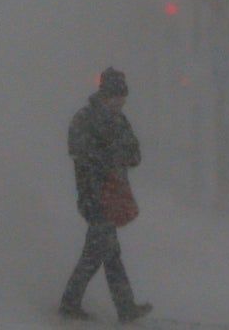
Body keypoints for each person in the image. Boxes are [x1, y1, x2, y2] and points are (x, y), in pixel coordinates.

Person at [59, 67, 151, 323]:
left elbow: (135, 155)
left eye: (123, 98)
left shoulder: (120, 121)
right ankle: (115, 307)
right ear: (104, 95)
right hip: (94, 196)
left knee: (105, 253)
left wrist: (118, 155)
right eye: (117, 97)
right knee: (103, 252)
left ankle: (84, 303)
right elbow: (81, 155)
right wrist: (110, 156)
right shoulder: (84, 119)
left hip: (111, 196)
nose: (121, 103)